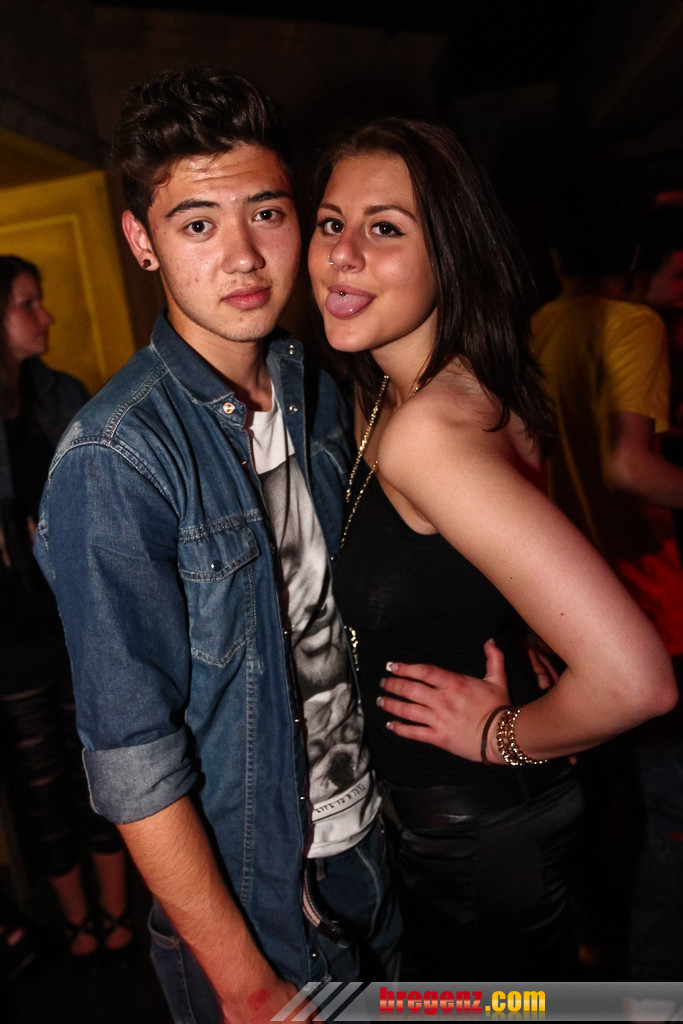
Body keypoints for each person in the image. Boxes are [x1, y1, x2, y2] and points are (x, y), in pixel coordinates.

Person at [34, 67, 402, 1024]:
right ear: (141, 243)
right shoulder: (115, 457)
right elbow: (133, 760)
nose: (242, 256)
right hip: (259, 908)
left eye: (265, 214)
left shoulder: (316, 389)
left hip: (374, 846)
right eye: (197, 224)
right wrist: (243, 982)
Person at [306, 119, 677, 980]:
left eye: (384, 228)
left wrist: (503, 734)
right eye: (330, 222)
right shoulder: (434, 385)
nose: (342, 254)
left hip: (476, 836)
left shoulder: (429, 433)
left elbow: (636, 681)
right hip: (478, 823)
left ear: (452, 253)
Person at [532, 178, 683, 980]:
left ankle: (597, 944)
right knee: (667, 806)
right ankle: (655, 979)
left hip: (557, 606)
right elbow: (630, 469)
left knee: (594, 800)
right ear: (631, 254)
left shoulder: (530, 330)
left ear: (554, 256)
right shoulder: (632, 324)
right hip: (647, 603)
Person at [0, 256, 134, 971]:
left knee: (98, 768)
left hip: (76, 617)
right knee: (41, 784)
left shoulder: (64, 395)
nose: (44, 315)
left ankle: (116, 909)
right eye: (27, 303)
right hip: (10, 634)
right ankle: (79, 920)